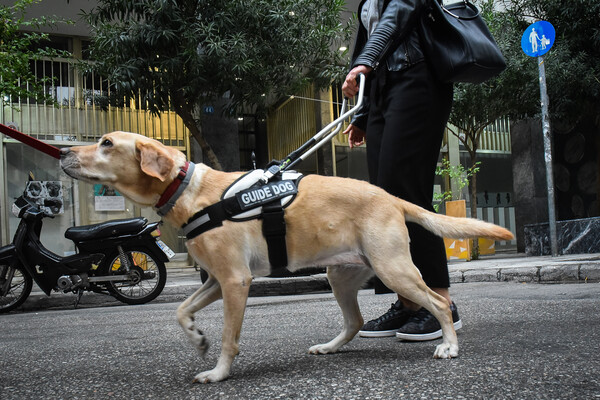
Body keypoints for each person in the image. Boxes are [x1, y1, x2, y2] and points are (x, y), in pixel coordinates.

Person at [341, 0, 462, 341]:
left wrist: (365, 61)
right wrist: (362, 115)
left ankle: (442, 304)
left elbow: (398, 16)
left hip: (417, 80)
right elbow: (366, 40)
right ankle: (408, 302)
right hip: (383, 92)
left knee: (409, 193)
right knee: (383, 201)